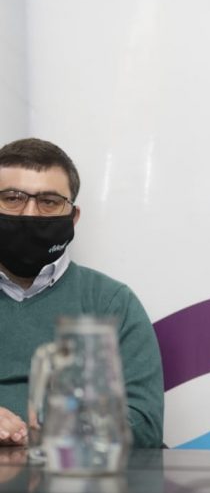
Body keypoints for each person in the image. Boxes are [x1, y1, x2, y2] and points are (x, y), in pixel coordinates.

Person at [0, 138, 163, 448]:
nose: (30, 214)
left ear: (73, 217)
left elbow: (145, 425)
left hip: (76, 474)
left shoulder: (111, 303)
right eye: (12, 198)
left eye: (49, 201)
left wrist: (46, 431)